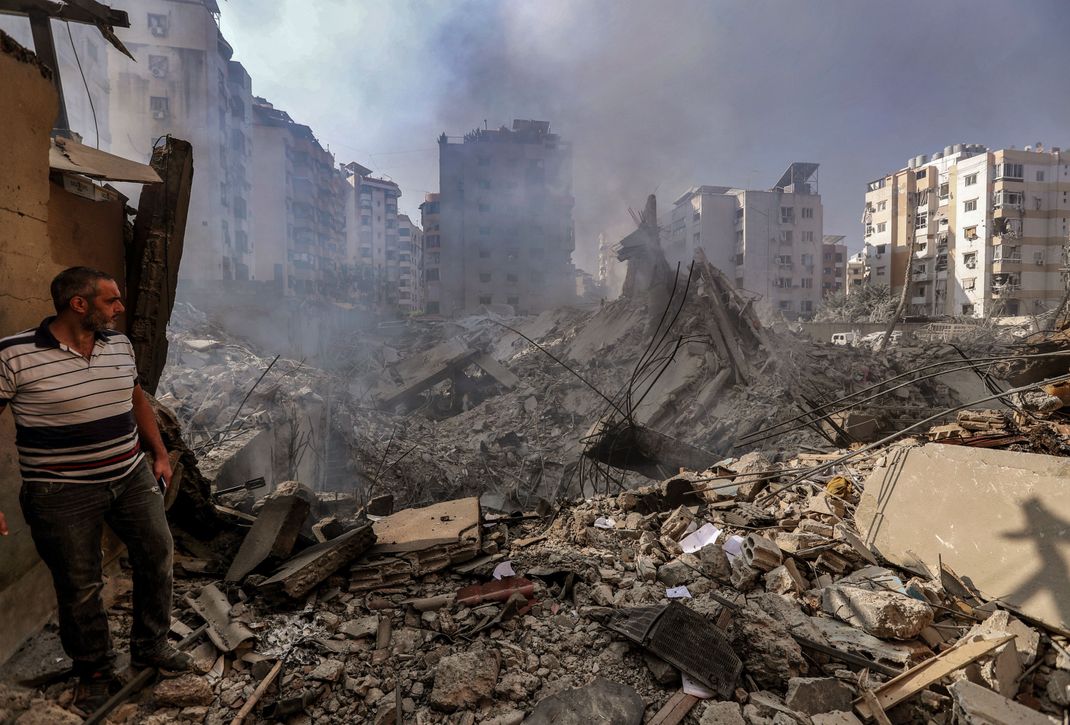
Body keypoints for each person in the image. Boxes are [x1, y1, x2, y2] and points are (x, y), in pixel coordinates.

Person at [0, 267, 195, 712]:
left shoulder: (119, 345)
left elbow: (136, 398)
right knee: (80, 585)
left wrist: (159, 453)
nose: (120, 309)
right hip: (60, 492)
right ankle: (94, 670)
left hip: (130, 476)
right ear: (79, 304)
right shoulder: (14, 355)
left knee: (157, 554)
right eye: (111, 301)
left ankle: (151, 645)